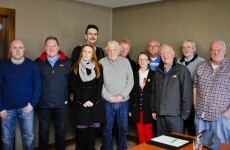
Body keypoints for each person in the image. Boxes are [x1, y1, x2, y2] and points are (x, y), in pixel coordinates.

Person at [0, 40, 41, 150]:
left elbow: (38, 86)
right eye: (14, 47)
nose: (18, 50)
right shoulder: (3, 66)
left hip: (26, 108)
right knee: (6, 139)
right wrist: (0, 107)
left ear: (24, 49)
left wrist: (32, 104)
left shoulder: (32, 65)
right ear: (10, 50)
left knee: (28, 138)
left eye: (20, 47)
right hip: (6, 110)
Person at [35, 36, 71, 150]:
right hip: (44, 104)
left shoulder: (67, 62)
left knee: (60, 132)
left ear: (58, 47)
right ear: (44, 47)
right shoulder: (37, 62)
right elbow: (34, 83)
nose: (51, 48)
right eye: (48, 46)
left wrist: (71, 95)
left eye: (54, 46)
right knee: (43, 132)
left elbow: (72, 81)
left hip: (61, 103)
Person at [150, 44, 193, 136]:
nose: (165, 55)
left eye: (168, 52)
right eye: (162, 53)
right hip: (160, 114)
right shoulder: (158, 71)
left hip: (175, 115)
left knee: (176, 141)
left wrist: (185, 114)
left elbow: (187, 93)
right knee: (162, 141)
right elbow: (154, 92)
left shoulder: (182, 70)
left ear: (173, 54)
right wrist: (154, 109)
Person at [193, 40, 230, 143]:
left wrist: (228, 113)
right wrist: (195, 105)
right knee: (200, 145)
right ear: (210, 51)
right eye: (213, 50)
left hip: (221, 117)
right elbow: (194, 86)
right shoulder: (201, 65)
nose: (216, 52)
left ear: (225, 50)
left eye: (219, 50)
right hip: (200, 116)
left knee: (220, 146)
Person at [69, 44, 105, 150]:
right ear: (81, 53)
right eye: (84, 51)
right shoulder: (75, 67)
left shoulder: (98, 67)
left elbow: (99, 85)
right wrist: (84, 101)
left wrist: (92, 101)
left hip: (94, 104)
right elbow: (74, 86)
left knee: (92, 133)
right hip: (81, 104)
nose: (86, 54)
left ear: (93, 55)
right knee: (82, 133)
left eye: (89, 52)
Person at [99, 40, 134, 150]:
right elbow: (99, 84)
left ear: (119, 51)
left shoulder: (125, 62)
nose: (112, 52)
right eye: (109, 50)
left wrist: (121, 96)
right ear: (106, 51)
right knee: (107, 129)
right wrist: (109, 97)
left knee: (123, 128)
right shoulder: (101, 62)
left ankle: (121, 147)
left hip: (123, 102)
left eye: (114, 49)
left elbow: (130, 81)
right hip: (107, 102)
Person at [178, 40, 204, 136]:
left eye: (188, 47)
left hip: (194, 100)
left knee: (193, 127)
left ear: (194, 49)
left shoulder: (202, 62)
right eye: (184, 47)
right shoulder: (177, 62)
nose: (186, 49)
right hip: (180, 100)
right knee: (180, 128)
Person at [129, 52, 154, 144]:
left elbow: (155, 93)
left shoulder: (153, 74)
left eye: (144, 59)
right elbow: (131, 93)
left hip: (148, 108)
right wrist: (130, 109)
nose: (142, 61)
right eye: (140, 59)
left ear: (148, 61)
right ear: (138, 62)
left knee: (148, 131)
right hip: (137, 108)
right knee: (140, 131)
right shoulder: (134, 74)